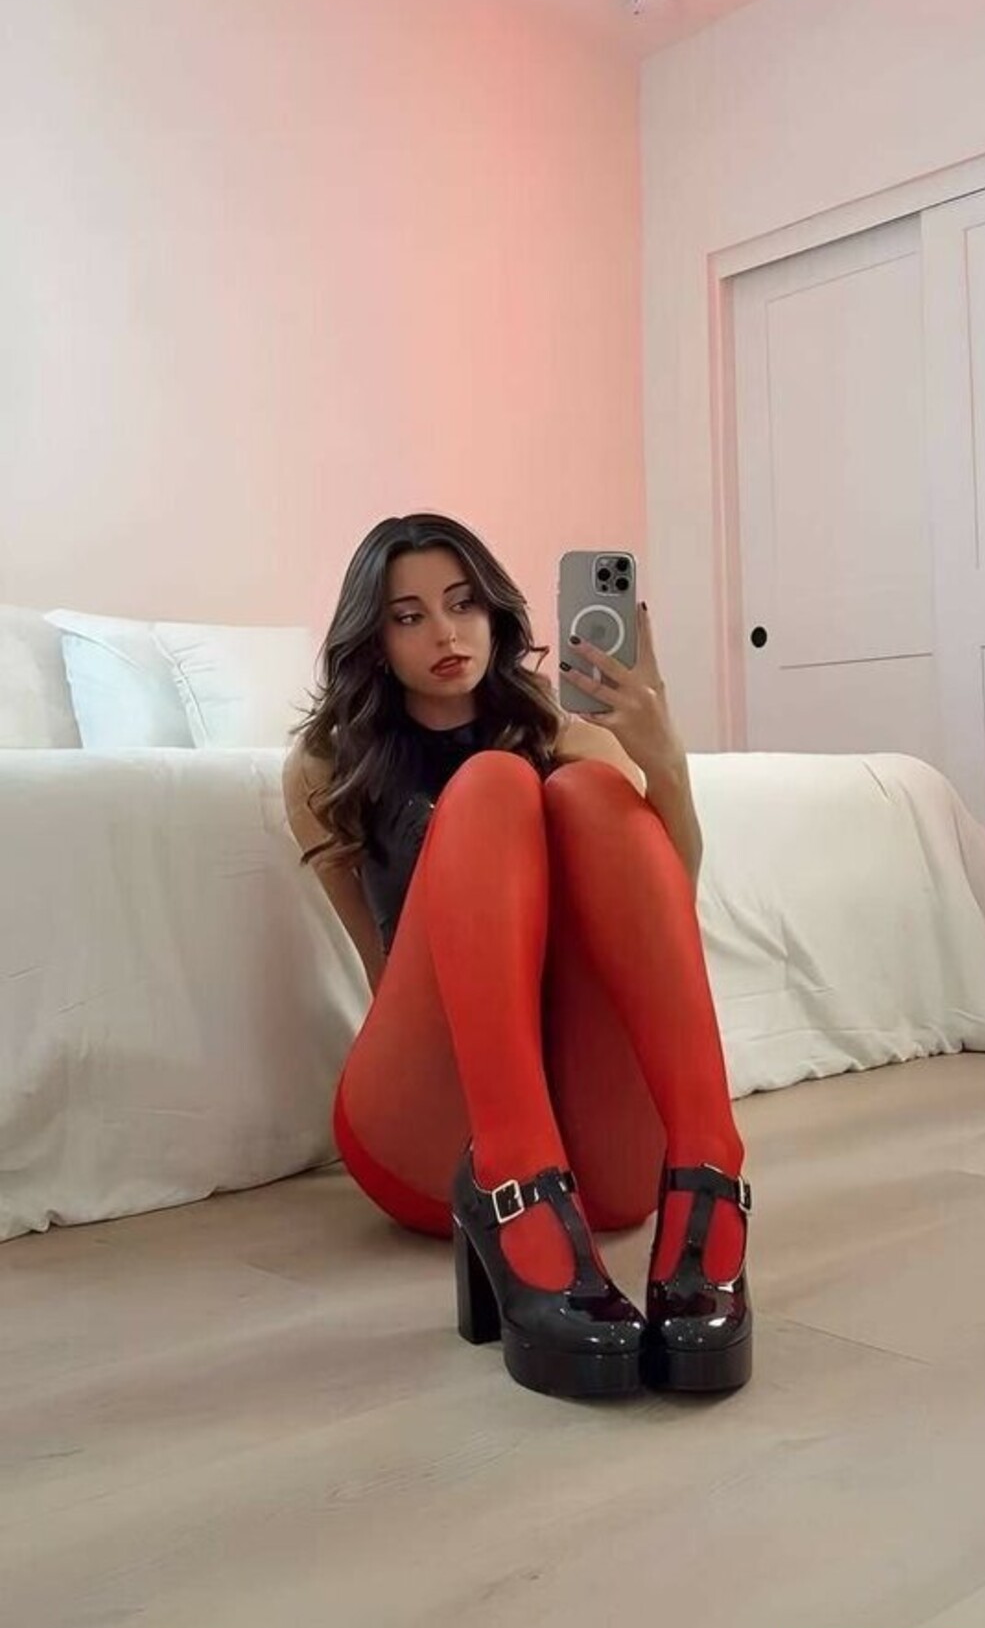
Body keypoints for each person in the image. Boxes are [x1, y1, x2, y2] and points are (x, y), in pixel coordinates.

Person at [283, 512, 752, 1401]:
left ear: (497, 615)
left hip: (599, 1156)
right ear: (373, 638)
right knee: (495, 784)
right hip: (430, 1133)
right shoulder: (325, 769)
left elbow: (664, 936)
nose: (445, 633)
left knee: (587, 792)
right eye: (408, 616)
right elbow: (382, 973)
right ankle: (512, 1173)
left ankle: (710, 1164)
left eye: (463, 604)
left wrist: (665, 763)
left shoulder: (572, 739)